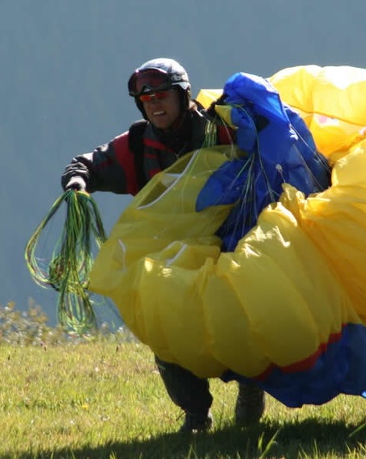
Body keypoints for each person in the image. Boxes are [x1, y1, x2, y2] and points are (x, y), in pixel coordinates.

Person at [60, 57, 266, 433]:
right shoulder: (139, 145)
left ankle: (251, 389)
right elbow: (88, 163)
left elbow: (266, 150)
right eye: (146, 98)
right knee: (165, 328)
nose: (154, 103)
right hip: (171, 259)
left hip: (228, 245)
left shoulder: (220, 128)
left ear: (183, 95)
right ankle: (195, 413)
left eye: (162, 95)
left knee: (236, 319)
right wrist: (77, 182)